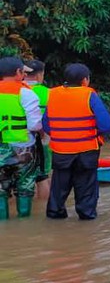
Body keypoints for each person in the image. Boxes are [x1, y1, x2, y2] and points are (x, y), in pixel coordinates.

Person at [44, 63, 110, 220]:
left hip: (60, 150)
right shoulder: (89, 95)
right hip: (86, 150)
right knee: (86, 187)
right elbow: (106, 124)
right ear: (85, 80)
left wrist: (63, 136)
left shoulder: (53, 94)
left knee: (58, 186)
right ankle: (86, 216)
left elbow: (47, 125)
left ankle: (55, 216)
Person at [0, 57, 43, 219]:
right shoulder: (26, 93)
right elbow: (35, 125)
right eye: (23, 72)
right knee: (25, 188)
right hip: (23, 149)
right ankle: (24, 224)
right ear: (18, 72)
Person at [24, 59, 51, 201]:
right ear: (40, 75)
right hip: (42, 138)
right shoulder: (50, 93)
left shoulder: (16, 91)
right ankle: (42, 210)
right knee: (43, 176)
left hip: (13, 140)